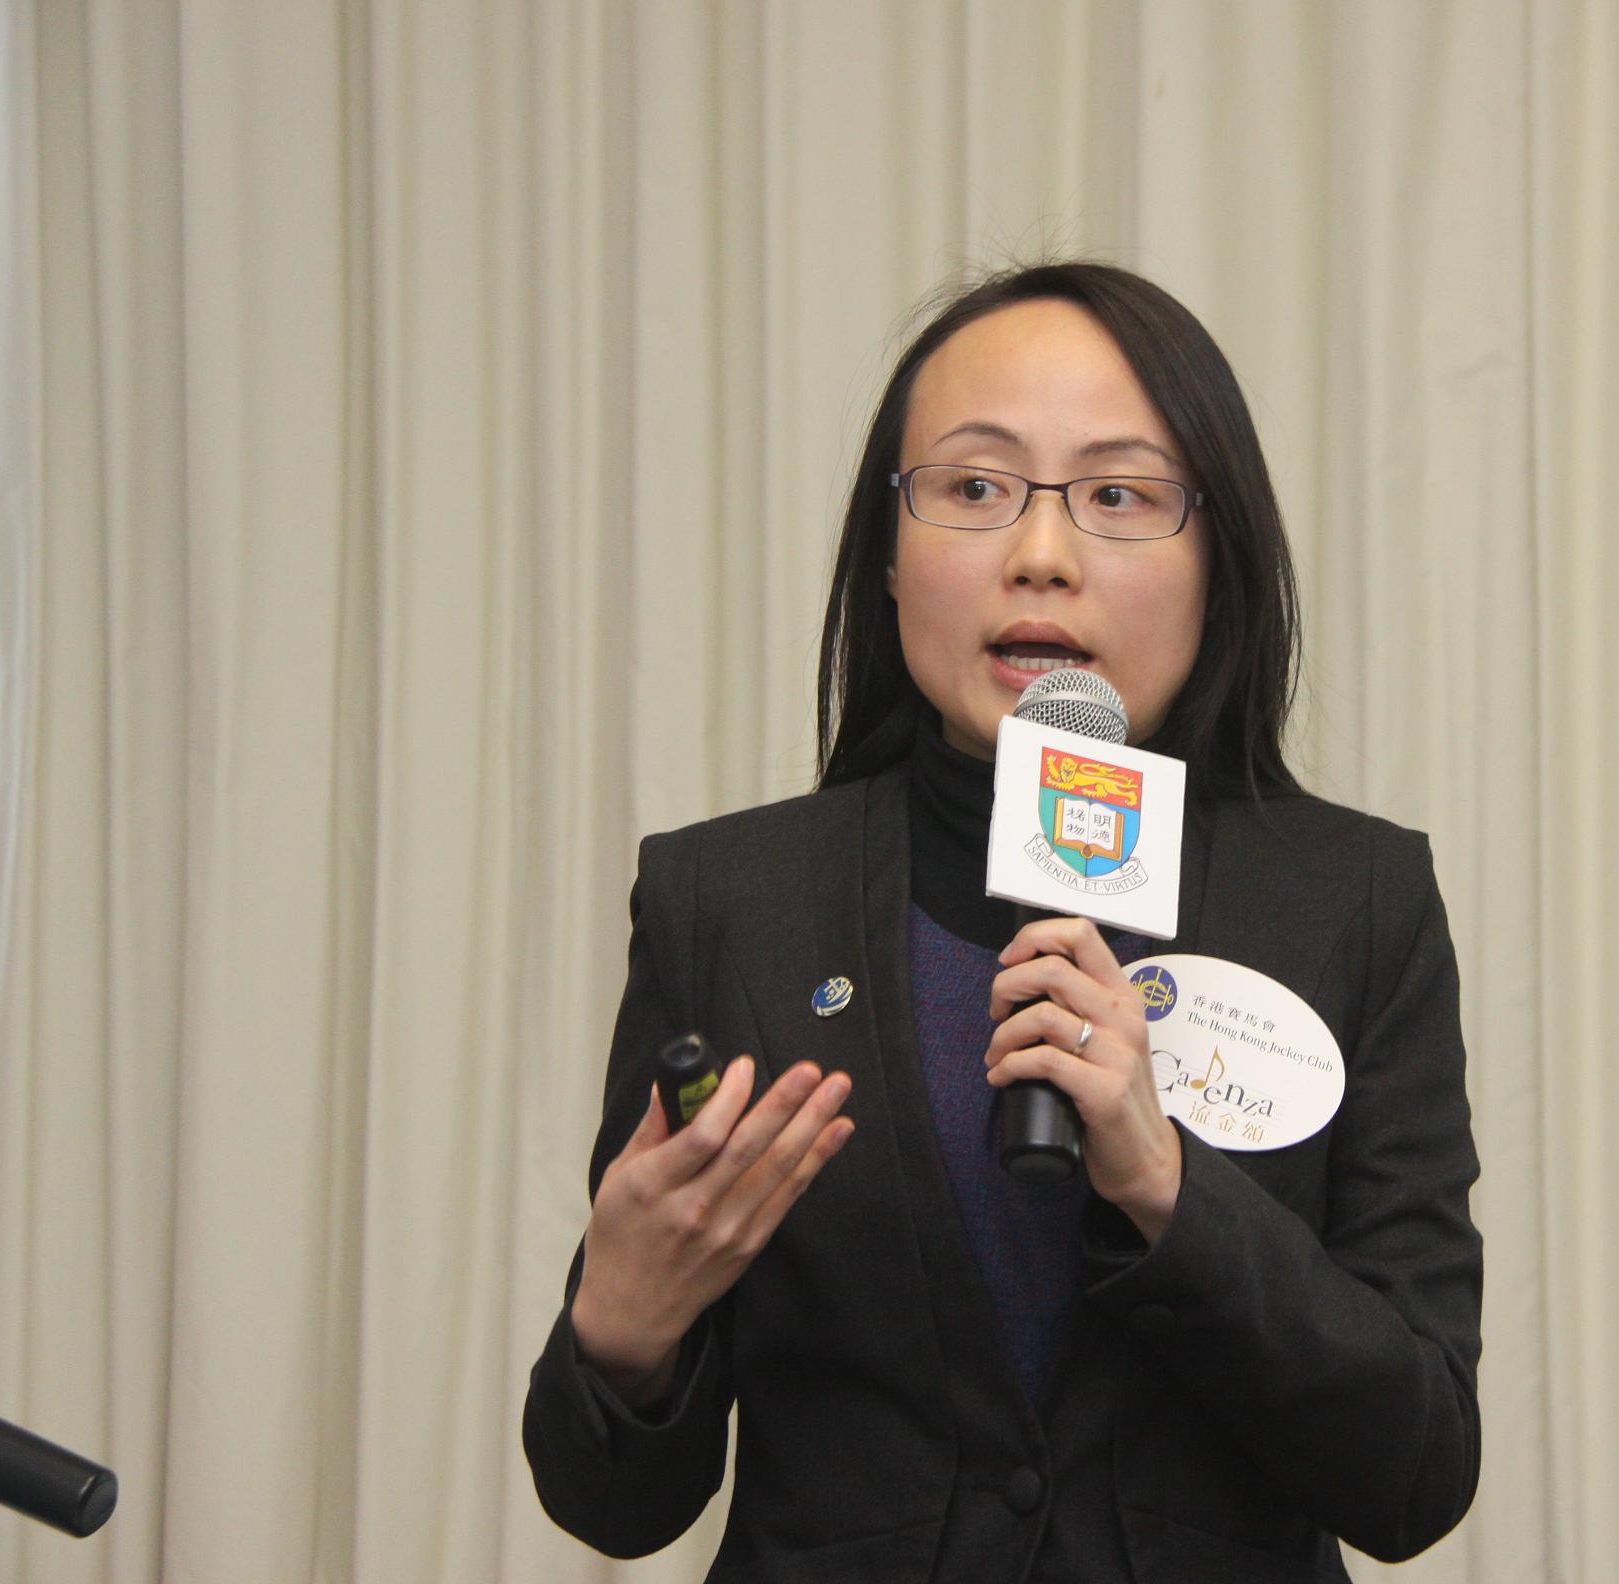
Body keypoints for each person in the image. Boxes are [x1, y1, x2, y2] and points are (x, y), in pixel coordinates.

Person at [522, 261, 1483, 1583]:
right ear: (888, 555)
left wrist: (1168, 1187)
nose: (1041, 553)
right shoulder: (732, 904)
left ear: (1221, 562)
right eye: (975, 488)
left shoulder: (1350, 901)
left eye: (1118, 496)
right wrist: (624, 1328)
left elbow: (1417, 1472)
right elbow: (615, 1507)